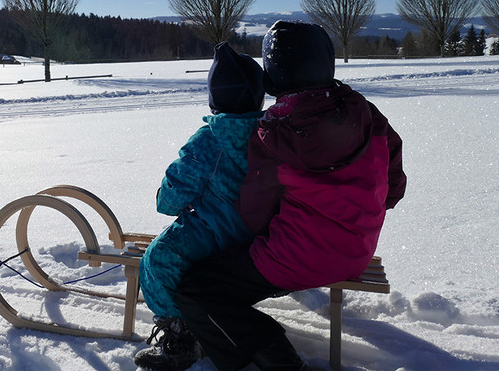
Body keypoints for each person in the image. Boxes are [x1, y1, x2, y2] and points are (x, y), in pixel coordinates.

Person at [174, 21, 407, 371]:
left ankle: (276, 358)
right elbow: (395, 184)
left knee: (195, 289)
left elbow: (255, 213)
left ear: (273, 77)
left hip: (296, 259)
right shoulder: (367, 114)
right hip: (358, 251)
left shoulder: (275, 132)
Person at [134, 42, 265, 371]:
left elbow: (170, 199)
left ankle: (179, 339)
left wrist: (167, 195)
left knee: (157, 260)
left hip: (213, 236)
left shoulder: (211, 140)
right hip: (256, 236)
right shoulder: (269, 133)